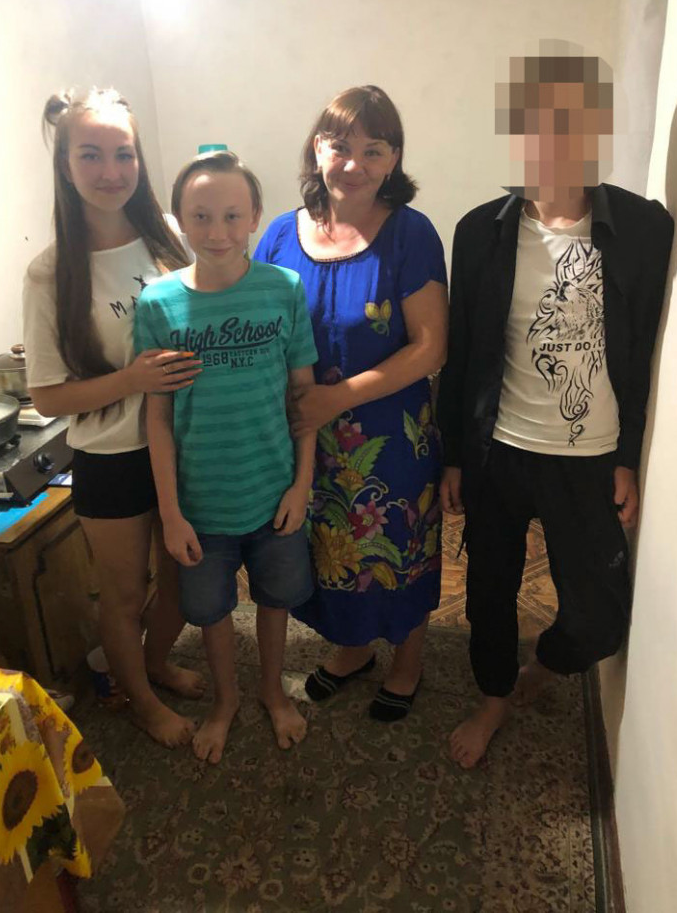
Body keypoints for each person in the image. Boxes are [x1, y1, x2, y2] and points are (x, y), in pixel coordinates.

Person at [437, 47, 674, 768]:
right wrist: (454, 456)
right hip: (499, 450)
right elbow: (463, 351)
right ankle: (493, 698)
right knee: (488, 592)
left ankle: (540, 668)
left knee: (600, 619)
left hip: (590, 458)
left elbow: (642, 351)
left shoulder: (644, 229)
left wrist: (628, 455)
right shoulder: (480, 230)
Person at [254, 85, 449, 722]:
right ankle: (352, 650)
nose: (354, 164)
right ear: (318, 149)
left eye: (374, 150)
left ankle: (407, 661)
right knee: (329, 552)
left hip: (389, 435)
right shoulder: (280, 235)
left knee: (399, 549)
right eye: (340, 146)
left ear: (394, 159)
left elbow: (430, 347)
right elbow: (258, 327)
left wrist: (335, 398)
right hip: (304, 438)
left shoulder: (411, 233)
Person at [23, 88, 205, 748]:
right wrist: (131, 381)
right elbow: (47, 397)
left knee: (185, 582)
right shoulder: (50, 274)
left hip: (186, 443)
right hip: (112, 458)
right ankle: (142, 702)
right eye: (91, 155)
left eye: (123, 154)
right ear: (65, 164)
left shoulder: (171, 235)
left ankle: (154, 664)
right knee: (124, 596)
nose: (110, 171)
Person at [134, 151, 318, 764]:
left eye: (233, 215)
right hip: (200, 505)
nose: (218, 231)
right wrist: (171, 513)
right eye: (201, 216)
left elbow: (302, 399)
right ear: (180, 220)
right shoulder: (157, 303)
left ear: (255, 217)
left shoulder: (284, 289)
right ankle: (226, 700)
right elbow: (157, 418)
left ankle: (271, 690)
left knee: (275, 599)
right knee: (211, 611)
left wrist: (301, 486)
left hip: (274, 493)